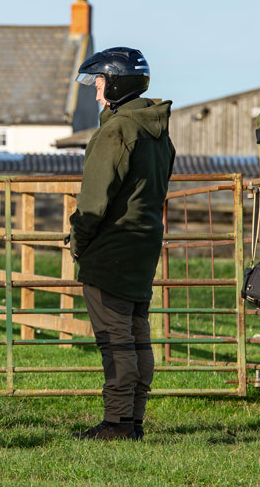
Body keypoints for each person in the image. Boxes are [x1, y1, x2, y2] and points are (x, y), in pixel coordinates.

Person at [69, 47, 175, 441]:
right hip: (144, 246)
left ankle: (116, 424)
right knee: (137, 334)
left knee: (115, 341)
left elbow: (93, 202)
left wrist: (78, 241)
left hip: (111, 250)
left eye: (99, 84)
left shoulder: (116, 131)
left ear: (115, 83)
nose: (96, 94)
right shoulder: (157, 131)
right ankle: (133, 421)